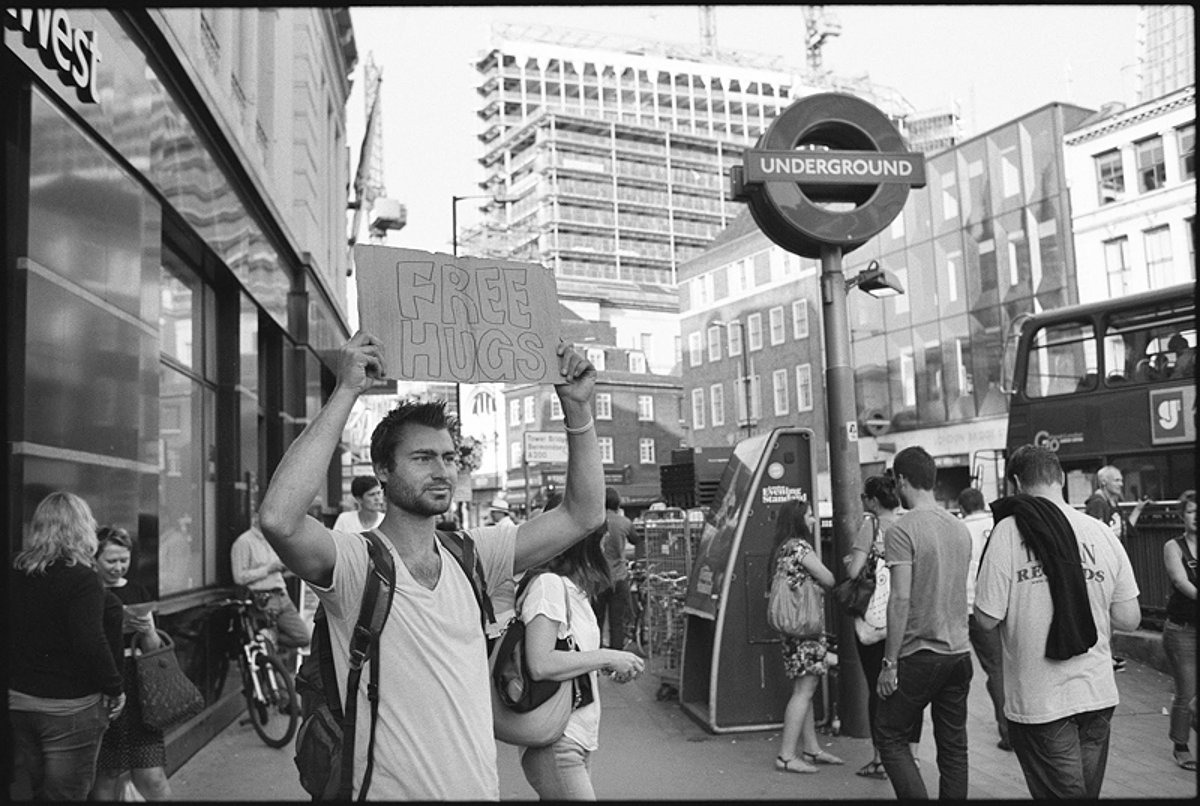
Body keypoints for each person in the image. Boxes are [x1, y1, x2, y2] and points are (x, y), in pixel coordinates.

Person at [257, 330, 606, 800]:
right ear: (383, 470)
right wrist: (346, 391)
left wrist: (578, 410)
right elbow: (279, 520)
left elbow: (583, 514)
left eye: (448, 457)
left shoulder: (472, 555)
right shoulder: (357, 563)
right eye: (422, 457)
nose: (441, 470)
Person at [974, 444, 1141, 798]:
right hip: (1097, 695)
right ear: (1061, 478)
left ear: (1017, 483)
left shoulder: (1007, 532)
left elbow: (986, 618)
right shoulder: (1100, 531)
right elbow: (1129, 617)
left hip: (1041, 701)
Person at [517, 491, 645, 799]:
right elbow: (541, 662)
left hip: (574, 737)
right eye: (599, 537)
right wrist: (606, 655)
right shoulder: (550, 585)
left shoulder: (571, 589)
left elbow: (566, 656)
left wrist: (605, 664)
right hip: (559, 741)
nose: (604, 545)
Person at [9, 492, 126, 800]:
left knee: (37, 792)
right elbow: (90, 642)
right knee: (67, 796)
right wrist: (115, 687)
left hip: (20, 702)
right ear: (82, 528)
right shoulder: (82, 578)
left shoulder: (16, 573)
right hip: (69, 709)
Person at [875, 446, 973, 800]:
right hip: (959, 654)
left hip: (920, 652)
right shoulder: (959, 529)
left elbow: (900, 599)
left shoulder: (901, 531)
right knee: (953, 749)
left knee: (889, 735)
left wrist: (889, 663)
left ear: (902, 480)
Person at [844, 474, 921, 780]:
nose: (863, 501)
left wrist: (852, 559)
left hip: (876, 622)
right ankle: (912, 756)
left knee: (877, 689)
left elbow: (853, 571)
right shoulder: (909, 524)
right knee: (909, 689)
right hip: (909, 618)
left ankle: (879, 759)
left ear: (874, 501)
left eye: (865, 497)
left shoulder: (871, 526)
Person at [89, 527, 172, 801]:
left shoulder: (137, 589)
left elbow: (153, 650)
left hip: (138, 690)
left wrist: (148, 629)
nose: (118, 568)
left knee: (153, 776)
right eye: (111, 561)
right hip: (102, 688)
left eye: (123, 560)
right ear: (94, 558)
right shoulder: (88, 592)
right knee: (106, 774)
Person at [771, 498, 845, 774]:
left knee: (804, 689)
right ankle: (786, 756)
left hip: (793, 631)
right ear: (798, 520)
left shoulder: (782, 548)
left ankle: (811, 748)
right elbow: (828, 578)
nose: (813, 520)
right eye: (810, 515)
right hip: (806, 631)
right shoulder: (800, 547)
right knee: (805, 690)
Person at [958, 486, 1010, 752]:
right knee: (1005, 665)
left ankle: (1008, 732)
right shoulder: (999, 524)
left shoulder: (960, 528)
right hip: (1002, 603)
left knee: (989, 669)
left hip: (971, 605)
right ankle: (1017, 726)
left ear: (963, 507)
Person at [230, 512, 311, 670]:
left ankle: (269, 638)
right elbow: (239, 577)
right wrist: (268, 569)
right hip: (263, 598)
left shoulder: (274, 540)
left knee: (303, 637)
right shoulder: (243, 542)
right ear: (256, 518)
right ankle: (275, 687)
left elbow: (280, 570)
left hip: (282, 595)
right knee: (269, 654)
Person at [1084, 464, 1146, 672]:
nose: (1121, 484)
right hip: (1104, 565)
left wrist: (1138, 509)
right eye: (1117, 480)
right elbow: (1094, 534)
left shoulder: (1112, 502)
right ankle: (1103, 655)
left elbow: (1124, 528)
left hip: (1113, 562)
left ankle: (1106, 655)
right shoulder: (1097, 503)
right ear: (1103, 482)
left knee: (1109, 609)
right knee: (1105, 609)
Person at [1162, 489, 1197, 771]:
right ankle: (1181, 745)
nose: (1196, 517)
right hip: (1181, 630)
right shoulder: (1174, 546)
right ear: (1182, 516)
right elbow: (1180, 581)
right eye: (1191, 511)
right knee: (1186, 690)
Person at [592, 487, 634, 650]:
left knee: (596, 621)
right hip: (619, 578)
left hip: (597, 578)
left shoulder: (595, 522)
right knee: (617, 623)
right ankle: (616, 661)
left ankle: (595, 659)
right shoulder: (624, 522)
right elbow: (636, 540)